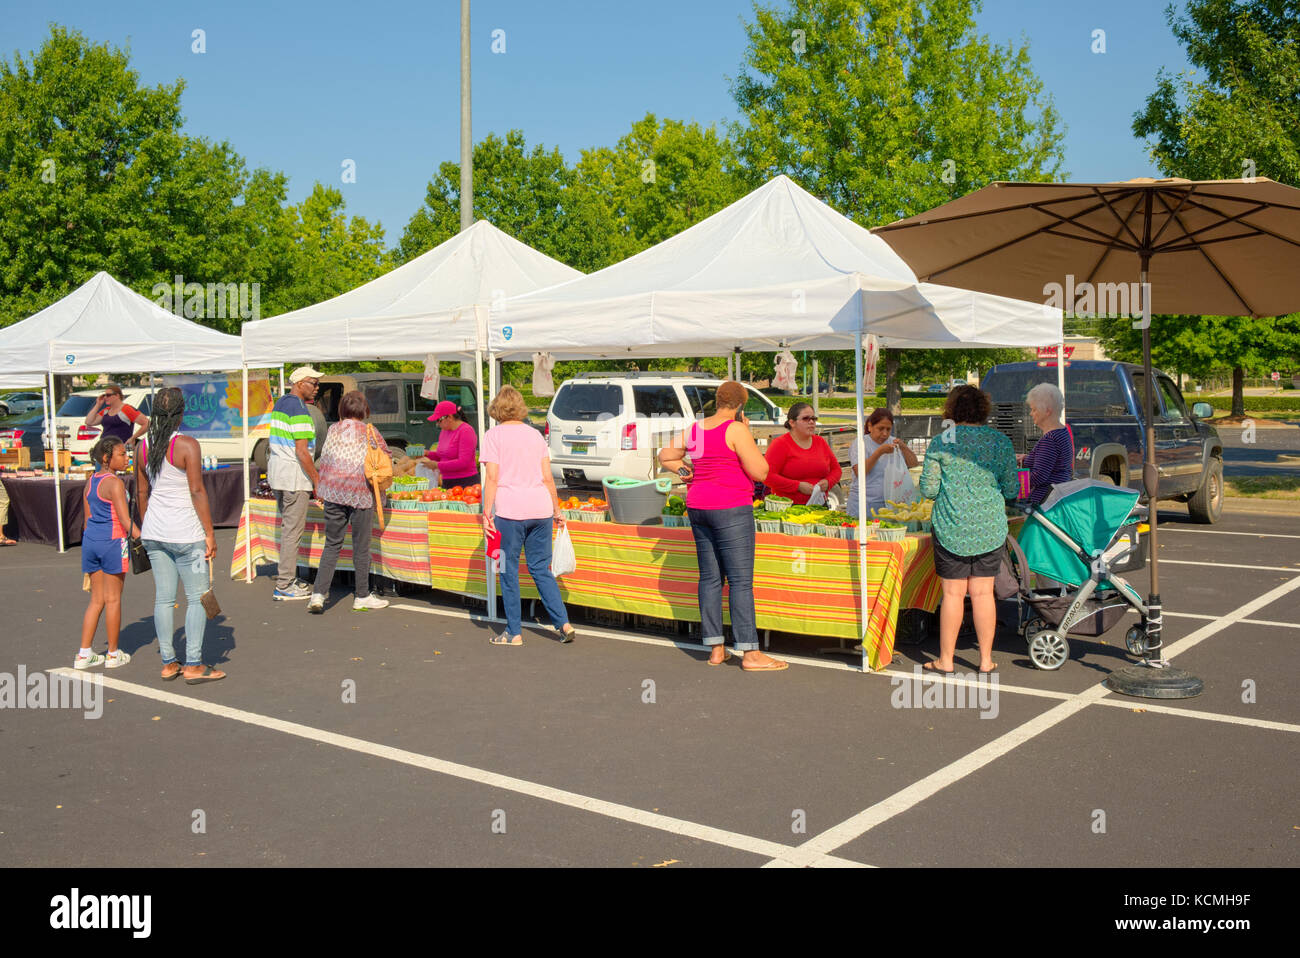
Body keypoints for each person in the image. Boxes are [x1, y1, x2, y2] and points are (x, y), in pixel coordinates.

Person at [659, 380, 788, 672]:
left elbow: (666, 456)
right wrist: (748, 434)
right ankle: (750, 653)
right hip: (730, 508)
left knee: (710, 578)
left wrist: (684, 470)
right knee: (740, 581)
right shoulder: (736, 429)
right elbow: (761, 471)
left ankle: (716, 648)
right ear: (741, 405)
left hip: (699, 506)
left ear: (717, 400)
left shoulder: (696, 429)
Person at [918, 385, 1018, 676]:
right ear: (983, 409)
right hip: (989, 527)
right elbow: (1012, 487)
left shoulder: (942, 441)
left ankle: (946, 660)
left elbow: (928, 489)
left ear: (951, 410)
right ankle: (985, 660)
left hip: (951, 526)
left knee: (952, 594)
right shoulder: (1000, 441)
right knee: (984, 593)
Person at [136, 388, 224, 684]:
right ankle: (194, 664)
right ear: (181, 413)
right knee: (197, 597)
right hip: (186, 534)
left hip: (155, 533)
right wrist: (210, 533)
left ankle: (168, 662)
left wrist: (149, 522)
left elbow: (141, 491)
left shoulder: (141, 446)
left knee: (163, 599)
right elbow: (197, 491)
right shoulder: (186, 444)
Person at [478, 386, 575, 646]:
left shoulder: (493, 435)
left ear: (496, 409)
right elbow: (547, 477)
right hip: (540, 509)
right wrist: (556, 510)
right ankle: (563, 623)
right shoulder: (534, 436)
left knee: (507, 569)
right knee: (541, 569)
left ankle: (513, 632)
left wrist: (486, 512)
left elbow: (493, 477)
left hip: (510, 512)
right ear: (521, 407)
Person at [309, 389, 391, 614]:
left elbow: (324, 459)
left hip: (334, 494)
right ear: (364, 410)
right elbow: (385, 457)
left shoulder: (334, 430)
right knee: (361, 548)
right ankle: (362, 595)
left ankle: (318, 594)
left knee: (332, 544)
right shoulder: (369, 432)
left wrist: (323, 488)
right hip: (360, 494)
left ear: (342, 409)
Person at [75, 436, 139, 670]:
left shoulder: (91, 481)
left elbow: (87, 519)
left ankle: (84, 653)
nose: (126, 458)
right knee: (113, 599)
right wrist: (145, 539)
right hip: (113, 542)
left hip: (91, 541)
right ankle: (112, 654)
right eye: (122, 454)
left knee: (96, 600)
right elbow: (124, 520)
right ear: (106, 458)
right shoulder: (115, 483)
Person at [268, 366, 322, 601]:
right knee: (292, 532)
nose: (317, 387)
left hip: (278, 474)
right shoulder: (300, 409)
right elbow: (302, 451)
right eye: (314, 383)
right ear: (300, 383)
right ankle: (284, 584)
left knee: (287, 529)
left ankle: (287, 578)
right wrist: (317, 480)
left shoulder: (281, 403)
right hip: (294, 477)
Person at [764, 402, 842, 505]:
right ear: (792, 423)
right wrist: (797, 486)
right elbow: (767, 476)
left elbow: (836, 470)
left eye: (814, 419)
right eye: (806, 419)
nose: (811, 422)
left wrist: (828, 482)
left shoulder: (820, 442)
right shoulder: (780, 444)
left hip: (819, 506)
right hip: (788, 508)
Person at [848, 408, 920, 518]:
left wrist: (904, 447)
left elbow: (913, 463)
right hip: (864, 504)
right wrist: (880, 452)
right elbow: (860, 472)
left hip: (889, 504)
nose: (885, 433)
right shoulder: (860, 443)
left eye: (888, 429)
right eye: (880, 429)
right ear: (870, 426)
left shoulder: (893, 442)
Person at [1021, 383, 1075, 503]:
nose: (1031, 413)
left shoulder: (1050, 439)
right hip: (1057, 498)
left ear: (1047, 411)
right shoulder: (1062, 431)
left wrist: (1009, 479)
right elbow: (1053, 464)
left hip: (1043, 503)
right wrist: (1026, 458)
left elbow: (1038, 476)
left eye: (1034, 409)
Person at [423, 400, 479, 489]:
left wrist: (437, 465)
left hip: (465, 482)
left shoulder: (466, 431)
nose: (437, 423)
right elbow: (442, 455)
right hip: (447, 481)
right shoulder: (444, 431)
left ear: (449, 417)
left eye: (439, 420)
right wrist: (427, 453)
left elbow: (463, 462)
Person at [84, 382, 149, 448]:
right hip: (104, 447)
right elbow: (89, 422)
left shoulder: (127, 409)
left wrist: (133, 438)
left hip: (120, 448)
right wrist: (98, 405)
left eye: (108, 395)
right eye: (104, 395)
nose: (105, 397)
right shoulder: (106, 411)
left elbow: (147, 423)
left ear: (117, 396)